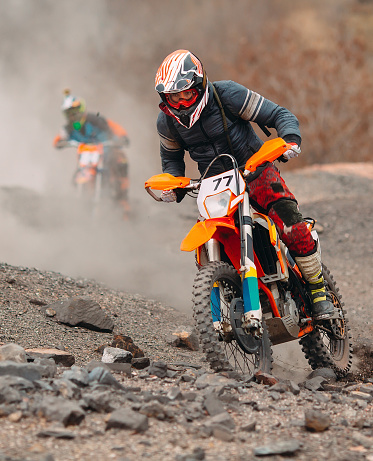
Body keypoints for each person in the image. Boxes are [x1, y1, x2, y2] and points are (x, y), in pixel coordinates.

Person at [154, 49, 334, 321]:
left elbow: (278, 114)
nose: (180, 104)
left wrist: (290, 140)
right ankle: (238, 294)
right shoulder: (167, 121)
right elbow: (171, 160)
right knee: (216, 237)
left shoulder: (227, 95)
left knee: (292, 225)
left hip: (255, 169)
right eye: (173, 98)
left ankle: (319, 292)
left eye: (186, 95)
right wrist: (173, 186)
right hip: (215, 185)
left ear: (199, 85)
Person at [53, 89, 130, 213]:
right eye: (69, 114)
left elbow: (113, 127)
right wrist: (60, 143)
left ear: (81, 109)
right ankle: (80, 202)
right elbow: (59, 138)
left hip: (106, 153)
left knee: (121, 160)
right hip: (87, 161)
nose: (73, 116)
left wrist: (121, 137)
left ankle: (123, 200)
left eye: (75, 112)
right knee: (76, 177)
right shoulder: (69, 128)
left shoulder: (95, 120)